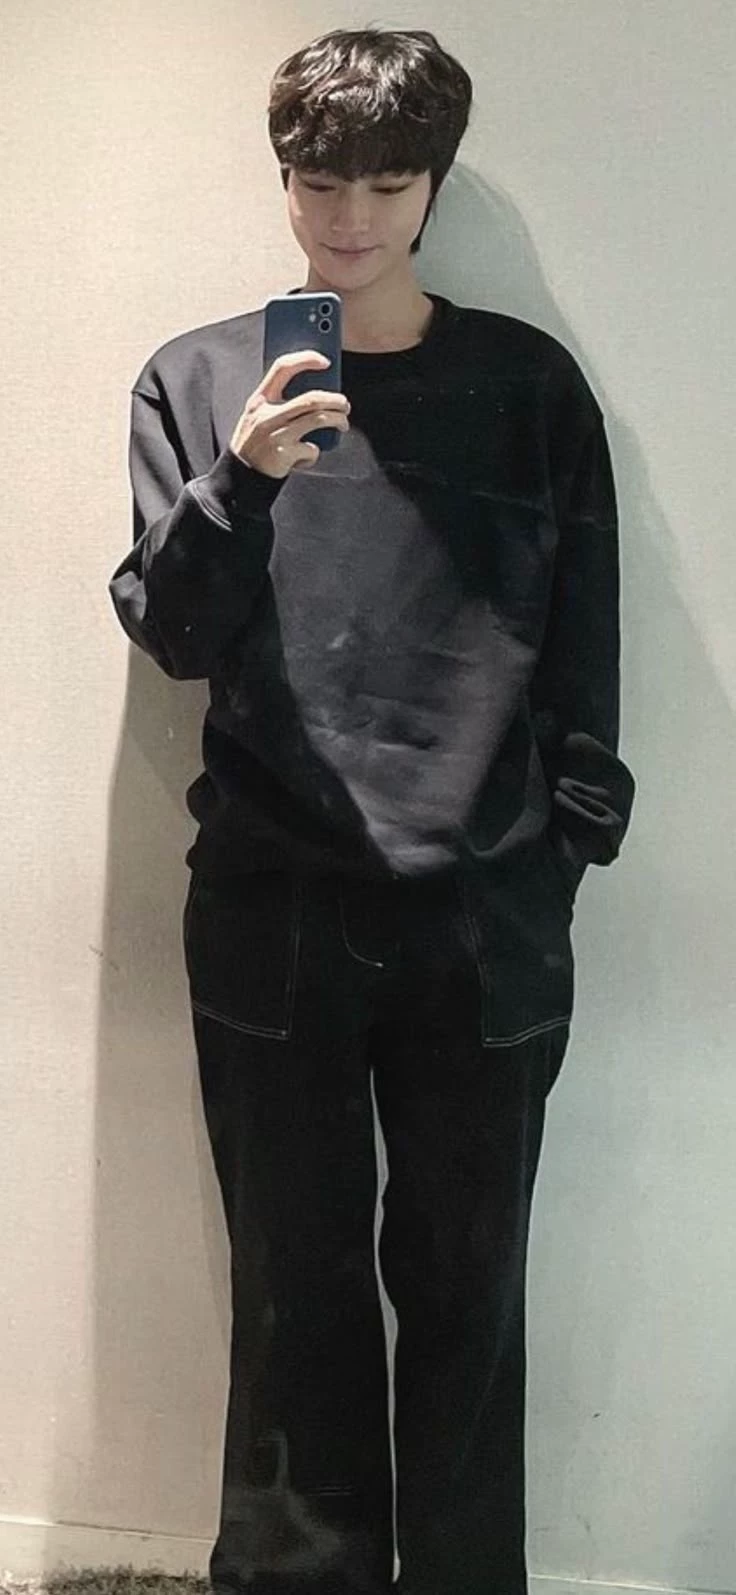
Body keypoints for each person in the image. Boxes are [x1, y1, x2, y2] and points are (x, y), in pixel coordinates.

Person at [109, 26, 635, 1595]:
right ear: (282, 181)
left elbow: (586, 648)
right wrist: (243, 478)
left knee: (472, 1290)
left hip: (485, 917)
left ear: (435, 187)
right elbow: (173, 633)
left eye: (387, 186)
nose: (349, 221)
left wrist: (559, 851)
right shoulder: (201, 380)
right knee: (295, 1293)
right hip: (272, 907)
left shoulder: (525, 388)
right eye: (319, 183)